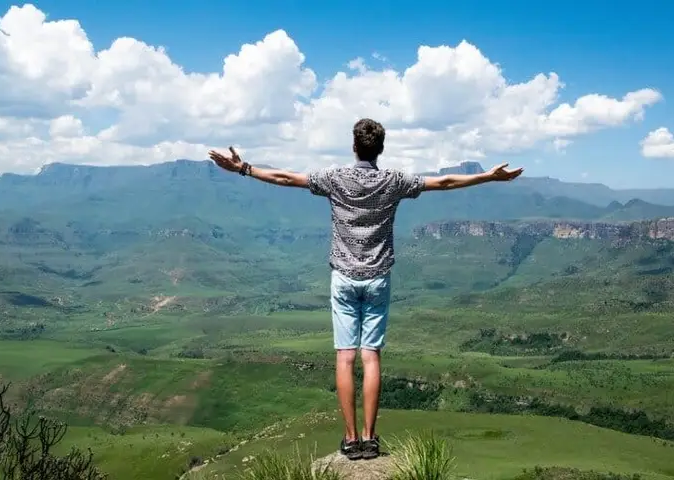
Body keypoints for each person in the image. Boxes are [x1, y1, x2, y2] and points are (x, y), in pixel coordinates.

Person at [208, 118, 523, 461]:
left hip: (343, 277)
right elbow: (444, 182)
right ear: (381, 148)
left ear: (354, 146)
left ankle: (350, 438)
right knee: (370, 356)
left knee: (345, 357)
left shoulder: (335, 178)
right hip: (378, 278)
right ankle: (371, 440)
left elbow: (286, 178)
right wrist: (489, 176)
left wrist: (244, 169)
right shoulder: (394, 181)